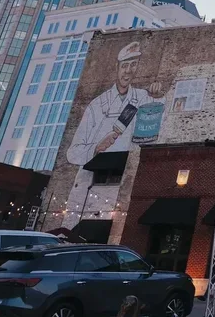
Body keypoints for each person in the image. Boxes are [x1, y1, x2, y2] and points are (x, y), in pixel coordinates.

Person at [63, 42, 163, 226]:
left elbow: (165, 119)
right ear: (116, 67)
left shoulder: (143, 97)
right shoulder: (96, 105)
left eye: (133, 65)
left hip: (124, 187)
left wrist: (159, 95)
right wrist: (96, 147)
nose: (128, 71)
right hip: (88, 189)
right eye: (124, 66)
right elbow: (72, 152)